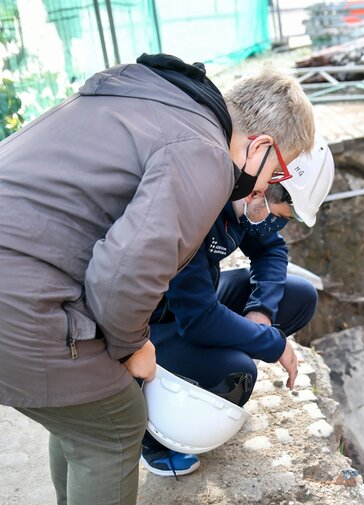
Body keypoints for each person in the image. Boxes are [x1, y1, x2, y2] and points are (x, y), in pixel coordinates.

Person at [0, 53, 315, 505]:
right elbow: (123, 274)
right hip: (22, 295)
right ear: (261, 146)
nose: (266, 186)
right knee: (112, 427)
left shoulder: (152, 99)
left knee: (80, 418)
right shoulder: (204, 153)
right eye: (277, 172)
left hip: (25, 275)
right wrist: (132, 347)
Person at [140, 137, 335, 477]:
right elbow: (199, 320)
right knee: (238, 372)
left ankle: (207, 358)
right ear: (260, 191)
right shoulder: (199, 211)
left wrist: (260, 311)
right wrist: (270, 341)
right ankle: (153, 434)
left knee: (300, 296)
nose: (279, 226)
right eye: (281, 216)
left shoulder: (251, 206)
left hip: (196, 302)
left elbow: (271, 251)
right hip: (154, 321)